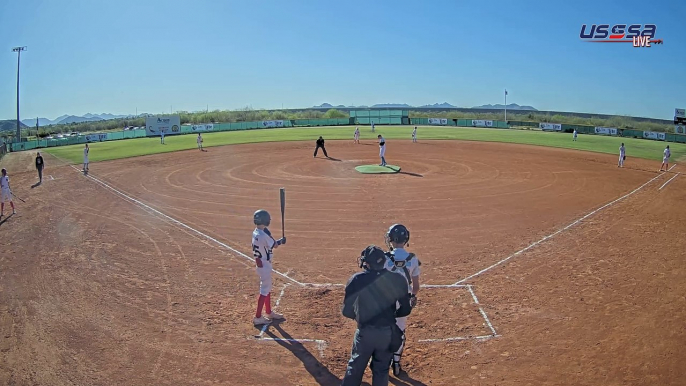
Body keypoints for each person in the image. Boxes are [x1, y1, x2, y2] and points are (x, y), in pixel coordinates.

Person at [340, 245, 413, 386]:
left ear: (366, 263)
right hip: (387, 333)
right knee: (381, 371)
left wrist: (360, 315)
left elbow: (346, 311)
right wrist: (390, 316)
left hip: (365, 333)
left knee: (354, 369)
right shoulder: (398, 279)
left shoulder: (356, 279)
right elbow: (405, 310)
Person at [383, 224, 421, 376]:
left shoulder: (385, 258)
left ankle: (383, 363)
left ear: (391, 239)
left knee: (384, 330)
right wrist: (412, 296)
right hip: (404, 302)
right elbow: (416, 286)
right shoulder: (413, 259)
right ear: (406, 239)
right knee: (400, 331)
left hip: (386, 302)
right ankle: (396, 363)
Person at [252, 209, 286, 325]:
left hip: (260, 264)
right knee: (264, 291)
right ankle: (258, 317)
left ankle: (268, 311)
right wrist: (281, 241)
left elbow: (266, 236)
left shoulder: (256, 232)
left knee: (267, 289)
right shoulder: (263, 236)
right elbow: (274, 245)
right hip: (264, 265)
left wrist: (269, 234)